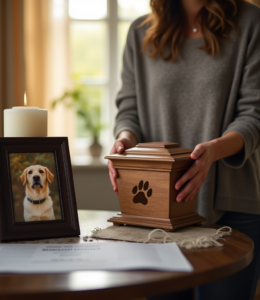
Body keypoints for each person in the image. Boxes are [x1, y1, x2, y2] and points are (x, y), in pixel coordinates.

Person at [107, 0, 260, 299]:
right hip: (156, 207)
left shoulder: (252, 22)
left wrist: (213, 152)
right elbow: (129, 110)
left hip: (231, 205)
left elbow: (254, 113)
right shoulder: (140, 32)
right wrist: (124, 140)